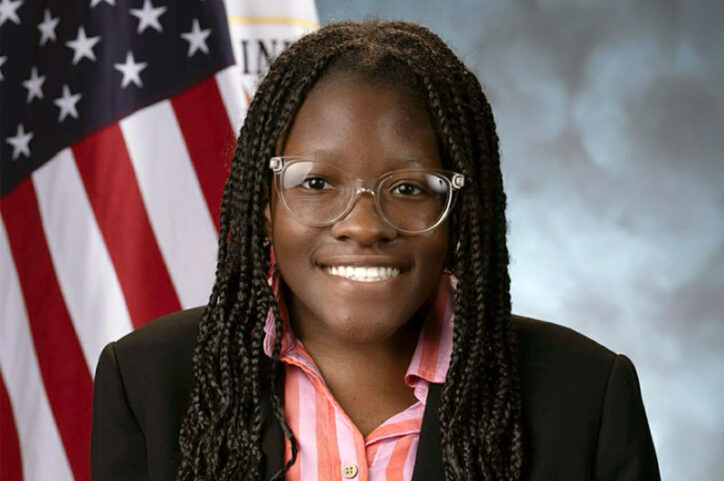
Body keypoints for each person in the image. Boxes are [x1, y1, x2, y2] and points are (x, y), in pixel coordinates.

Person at [90, 20, 661, 481]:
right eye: (316, 183)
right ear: (264, 202)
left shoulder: (585, 397)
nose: (363, 226)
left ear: (460, 211)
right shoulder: (149, 382)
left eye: (409, 188)